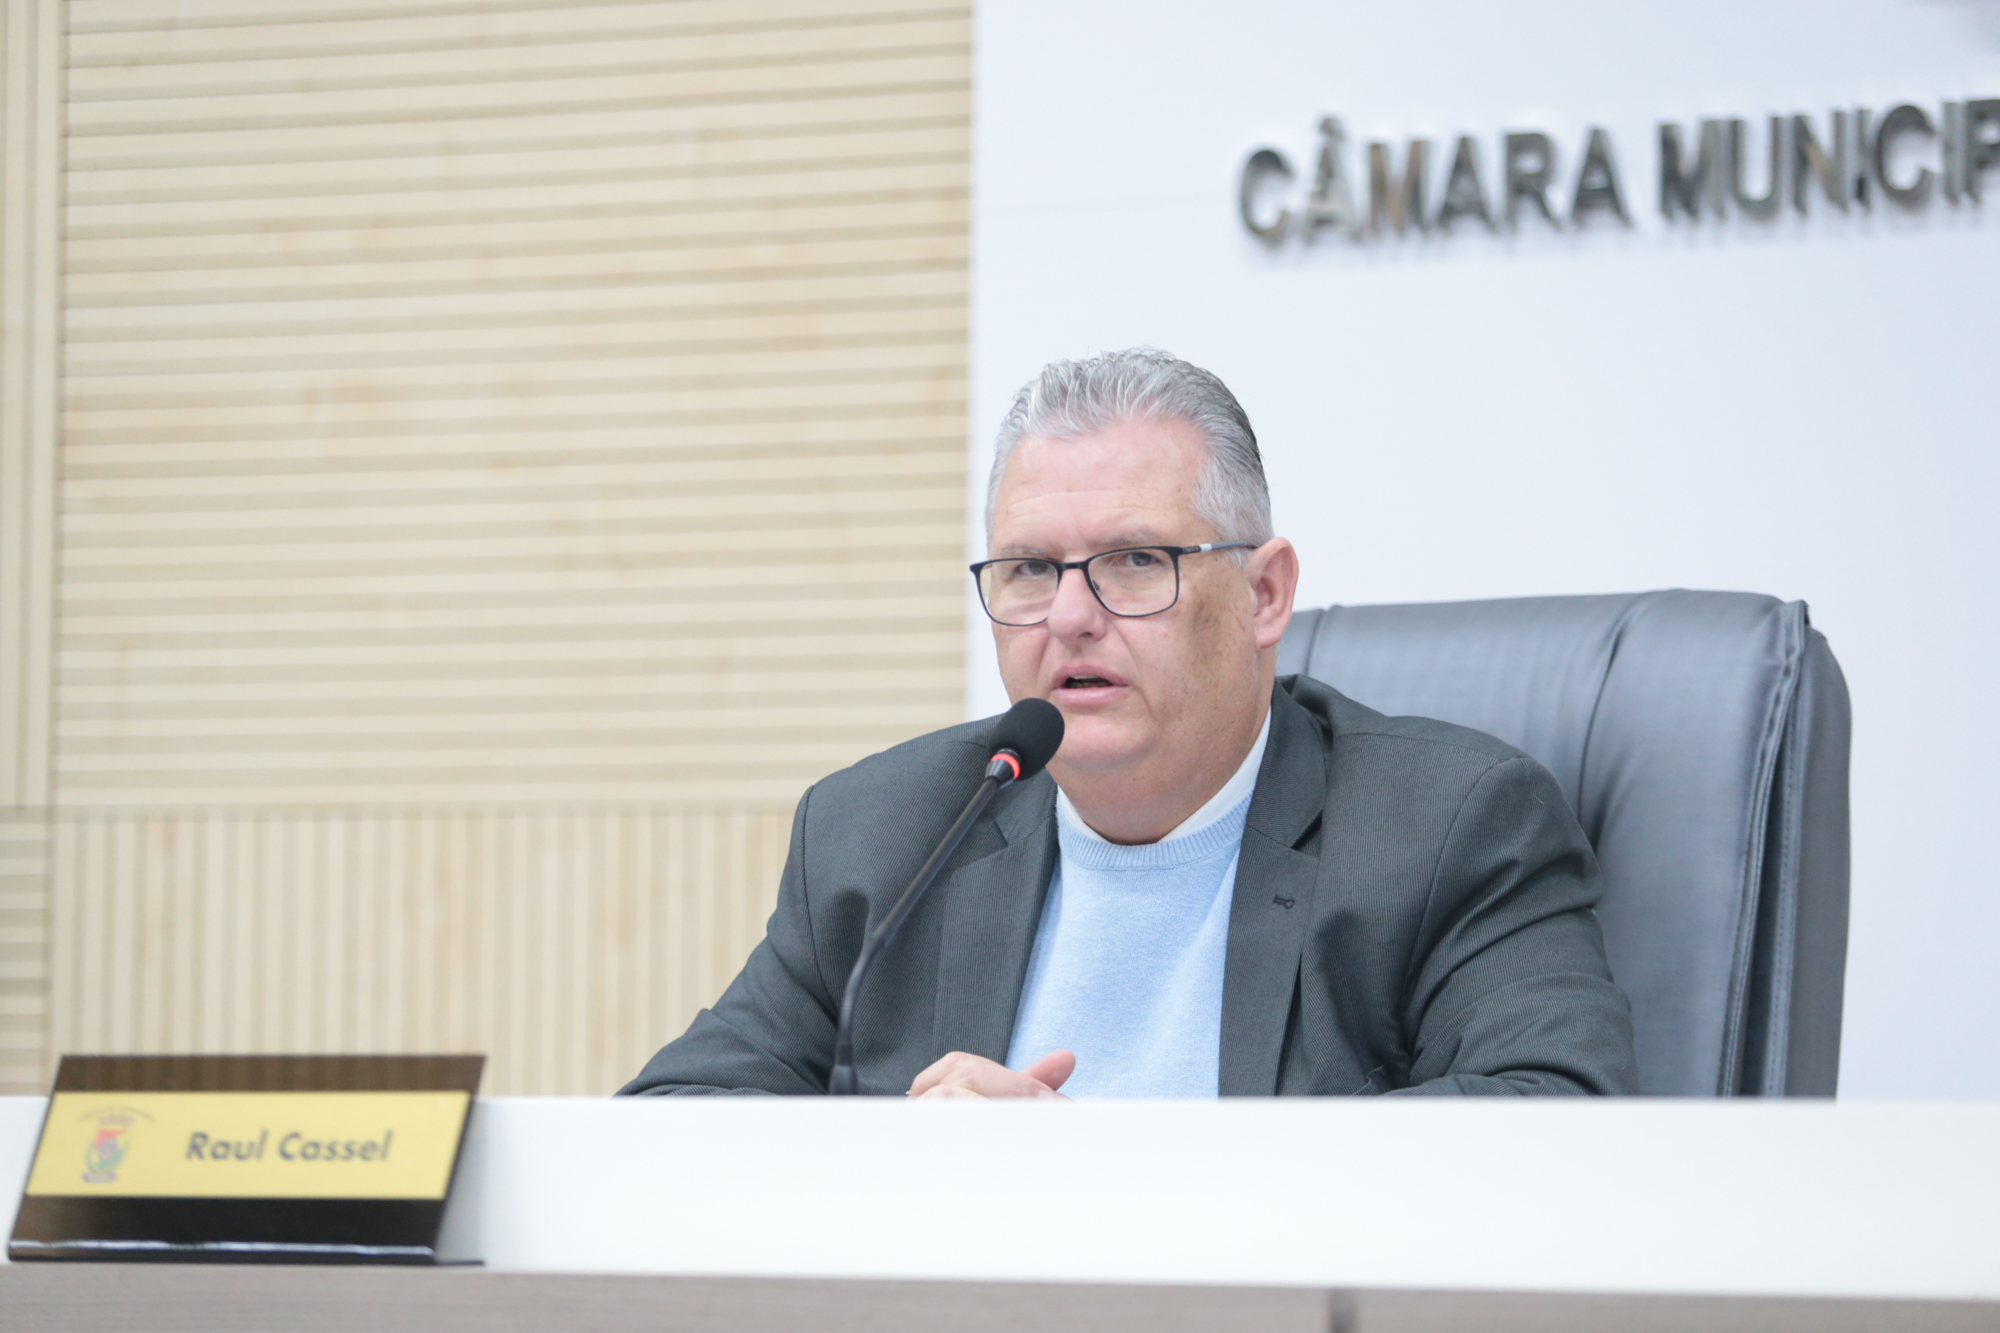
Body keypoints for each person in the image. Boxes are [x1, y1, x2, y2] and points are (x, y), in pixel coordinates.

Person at [622, 349, 1638, 1099]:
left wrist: (1108, 1179)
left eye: (1135, 561)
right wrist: (904, 1171)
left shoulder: (1449, 825)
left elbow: (1555, 1118)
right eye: (1029, 568)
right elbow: (673, 1120)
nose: (1070, 614)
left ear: (1265, 594)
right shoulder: (884, 834)